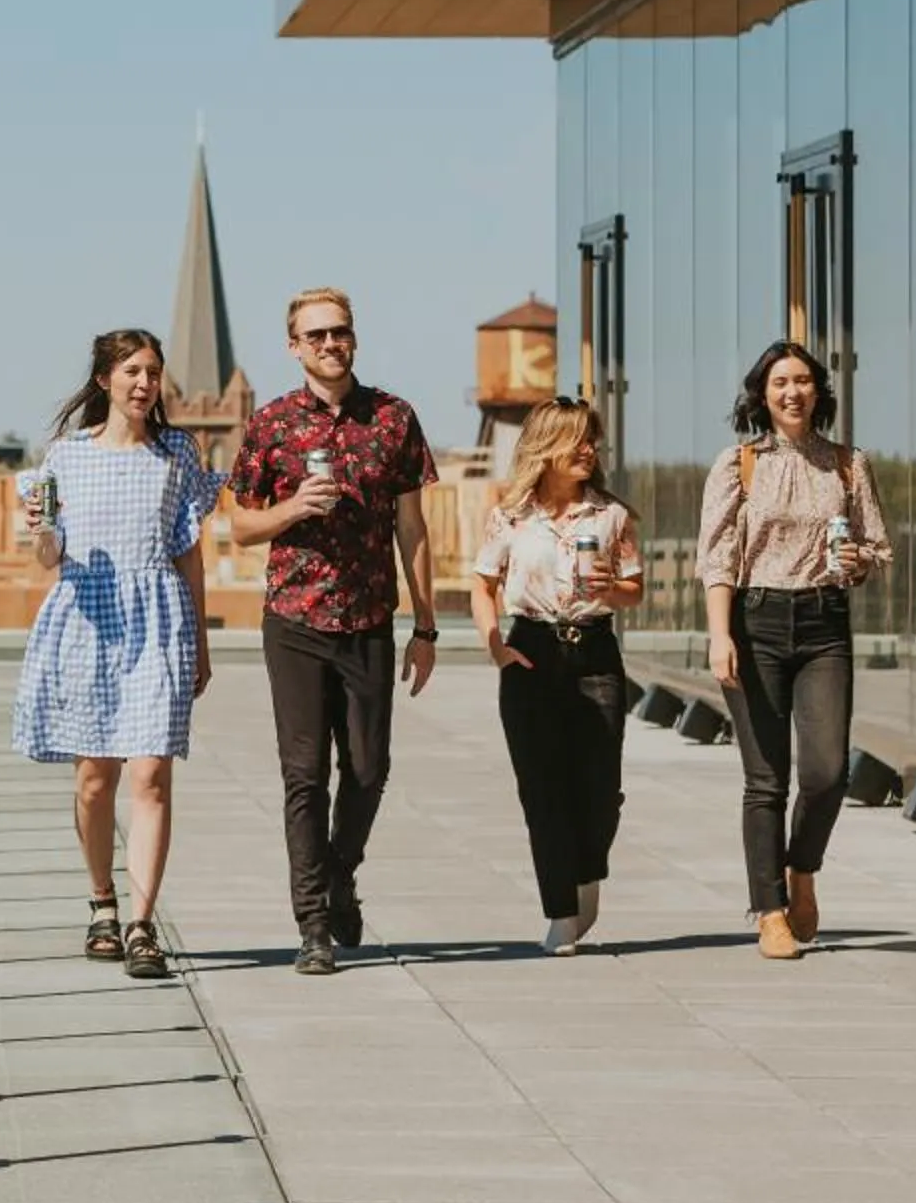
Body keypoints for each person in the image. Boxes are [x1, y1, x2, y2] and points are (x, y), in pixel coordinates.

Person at [226, 287, 439, 976]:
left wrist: (427, 625)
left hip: (370, 619)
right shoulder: (271, 424)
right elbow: (240, 526)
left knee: (369, 771)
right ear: (294, 347)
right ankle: (313, 923)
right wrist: (290, 509)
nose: (329, 345)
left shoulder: (393, 418)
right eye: (314, 336)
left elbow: (413, 528)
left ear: (354, 338)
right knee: (304, 776)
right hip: (294, 621)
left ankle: (341, 870)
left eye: (338, 333)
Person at [13, 327, 221, 981]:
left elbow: (189, 550)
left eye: (153, 372)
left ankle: (141, 922)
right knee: (94, 779)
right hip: (86, 618)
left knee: (151, 774)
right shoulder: (65, 458)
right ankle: (101, 900)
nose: (144, 383)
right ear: (105, 379)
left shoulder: (177, 453)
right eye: (133, 370)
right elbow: (48, 556)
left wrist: (202, 643)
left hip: (159, 618)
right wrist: (41, 530)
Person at [697, 341, 891, 959]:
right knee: (766, 780)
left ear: (818, 391)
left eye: (803, 381)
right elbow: (717, 556)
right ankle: (770, 911)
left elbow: (877, 547)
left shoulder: (847, 464)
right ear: (762, 394)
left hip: (824, 623)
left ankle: (801, 867)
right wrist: (720, 633)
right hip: (755, 621)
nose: (792, 392)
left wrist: (859, 561)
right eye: (780, 382)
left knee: (828, 772)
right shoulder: (739, 465)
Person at [468, 397, 646, 955]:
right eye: (577, 440)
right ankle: (560, 911)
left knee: (598, 788)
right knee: (541, 788)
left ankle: (588, 869)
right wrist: (495, 647)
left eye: (592, 439)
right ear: (546, 448)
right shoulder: (511, 515)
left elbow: (634, 589)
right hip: (532, 650)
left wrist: (610, 590)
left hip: (595, 654)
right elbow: (483, 583)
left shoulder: (612, 515)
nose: (589, 450)